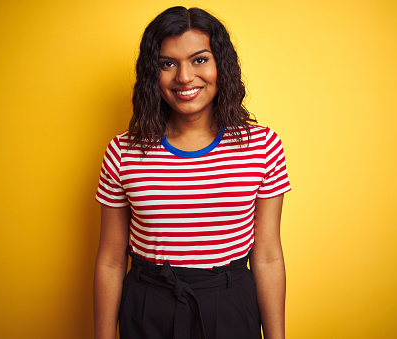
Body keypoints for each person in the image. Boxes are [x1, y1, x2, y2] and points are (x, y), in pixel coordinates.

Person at [93, 6, 290, 339]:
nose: (184, 77)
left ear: (221, 66)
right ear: (150, 74)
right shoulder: (123, 151)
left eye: (199, 60)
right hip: (147, 306)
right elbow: (111, 260)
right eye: (167, 64)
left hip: (230, 304)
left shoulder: (262, 146)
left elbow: (268, 256)